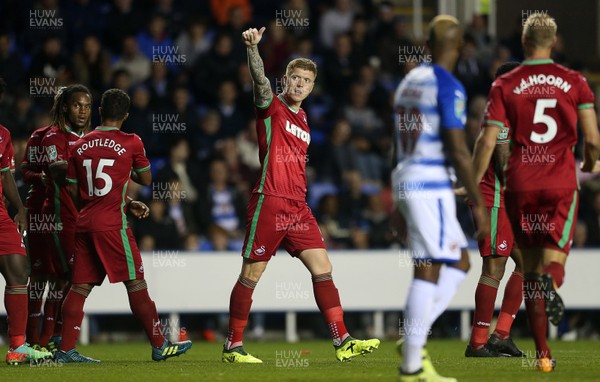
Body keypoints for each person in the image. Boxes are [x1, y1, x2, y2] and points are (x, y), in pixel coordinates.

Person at [222, 26, 380, 364]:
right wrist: (253, 49)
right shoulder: (270, 106)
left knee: (323, 267)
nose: (300, 85)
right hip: (270, 198)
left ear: (311, 87)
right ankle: (233, 346)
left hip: (298, 207)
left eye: (306, 81)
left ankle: (343, 341)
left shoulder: (305, 118)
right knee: (252, 274)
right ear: (286, 80)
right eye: (295, 78)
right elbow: (259, 81)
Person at [481, 13, 600, 372]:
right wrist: (591, 163)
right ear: (555, 40)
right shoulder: (574, 81)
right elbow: (592, 139)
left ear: (523, 40)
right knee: (551, 264)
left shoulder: (505, 85)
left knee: (528, 270)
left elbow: (491, 141)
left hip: (520, 184)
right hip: (560, 183)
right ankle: (554, 281)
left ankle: (543, 355)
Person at [57, 88, 192, 363]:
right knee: (136, 283)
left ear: (99, 111)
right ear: (126, 115)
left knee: (79, 287)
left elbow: (73, 190)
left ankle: (65, 349)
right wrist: (123, 176)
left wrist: (118, 199)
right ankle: (159, 344)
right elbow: (145, 178)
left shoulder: (79, 145)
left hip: (84, 223)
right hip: (113, 226)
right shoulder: (131, 142)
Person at [392, 15, 489, 382]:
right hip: (430, 181)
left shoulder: (408, 82)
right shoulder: (449, 85)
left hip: (406, 176)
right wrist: (478, 202)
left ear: (428, 45)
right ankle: (412, 363)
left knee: (458, 261)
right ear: (461, 44)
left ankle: (413, 342)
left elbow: (396, 141)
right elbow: (458, 149)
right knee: (430, 267)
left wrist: (397, 199)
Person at [464, 62, 525, 358]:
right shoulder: (499, 117)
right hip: (495, 198)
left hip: (510, 201)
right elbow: (503, 164)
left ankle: (501, 334)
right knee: (495, 267)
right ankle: (477, 341)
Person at [0, 78, 52, 364]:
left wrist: (19, 208)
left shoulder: (3, 134)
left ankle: (17, 347)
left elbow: (6, 174)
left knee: (19, 271)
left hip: (0, 215)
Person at [39, 84, 93, 353]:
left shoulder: (90, 137)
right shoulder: (53, 137)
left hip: (83, 218)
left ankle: (52, 337)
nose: (82, 111)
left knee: (69, 279)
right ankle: (49, 336)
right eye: (76, 105)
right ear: (64, 108)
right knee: (66, 276)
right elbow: (60, 174)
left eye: (86, 106)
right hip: (60, 218)